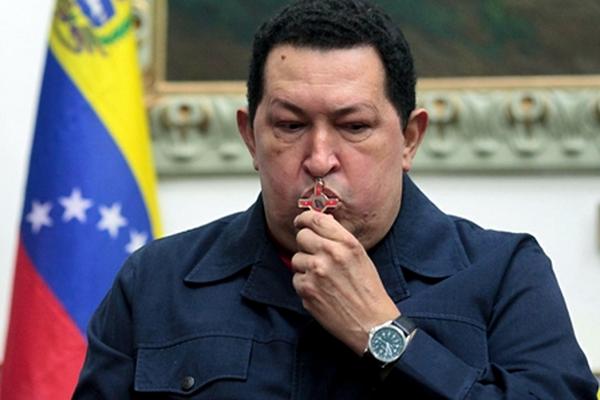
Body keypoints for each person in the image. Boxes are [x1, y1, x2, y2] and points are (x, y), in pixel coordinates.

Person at [73, 0, 598, 398]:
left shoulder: (504, 273)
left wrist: (384, 334)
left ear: (409, 138)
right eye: (290, 125)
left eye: (354, 126)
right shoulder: (156, 280)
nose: (320, 158)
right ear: (250, 138)